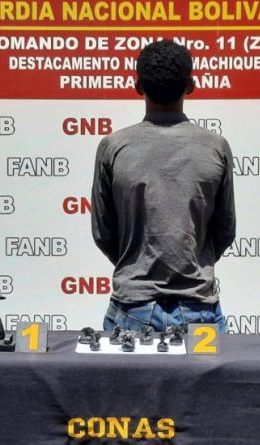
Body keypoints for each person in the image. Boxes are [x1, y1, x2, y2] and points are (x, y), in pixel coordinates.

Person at [91, 40, 236, 333]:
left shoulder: (113, 147)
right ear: (191, 85)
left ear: (138, 86)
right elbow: (224, 230)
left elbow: (104, 232)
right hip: (198, 308)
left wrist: (137, 265)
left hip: (132, 306)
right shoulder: (215, 147)